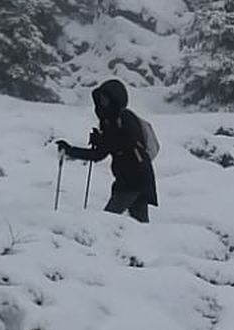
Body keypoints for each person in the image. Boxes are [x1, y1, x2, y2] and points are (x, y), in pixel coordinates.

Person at [56, 78, 158, 223]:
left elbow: (126, 143)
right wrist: (71, 150)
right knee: (138, 223)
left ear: (115, 99)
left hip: (134, 178)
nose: (102, 101)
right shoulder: (107, 122)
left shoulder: (125, 117)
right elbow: (99, 154)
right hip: (132, 178)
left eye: (105, 98)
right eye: (101, 98)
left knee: (108, 220)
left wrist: (103, 140)